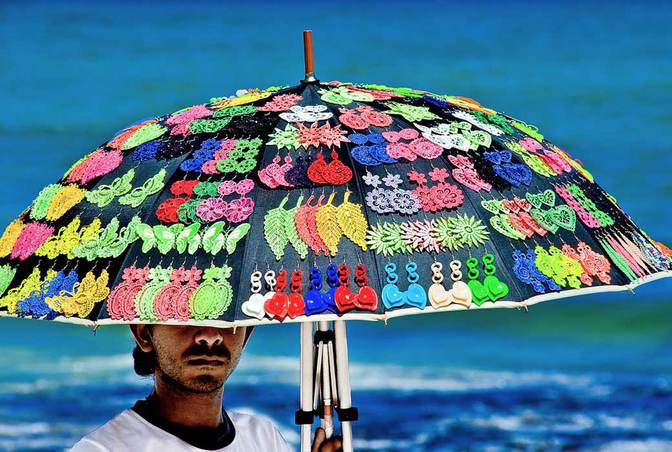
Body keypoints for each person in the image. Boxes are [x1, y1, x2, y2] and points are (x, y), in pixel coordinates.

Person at [70, 325, 342, 452]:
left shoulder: (263, 438)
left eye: (226, 317)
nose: (209, 335)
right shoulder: (103, 450)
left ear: (246, 334)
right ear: (144, 333)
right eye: (186, 312)